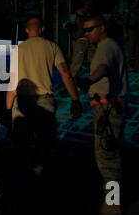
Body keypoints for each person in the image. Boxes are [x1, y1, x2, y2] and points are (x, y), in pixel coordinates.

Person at [6, 16, 82, 175]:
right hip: (45, 103)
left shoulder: (18, 50)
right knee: (43, 147)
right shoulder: (52, 47)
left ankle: (23, 181)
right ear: (42, 29)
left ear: (27, 31)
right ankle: (40, 177)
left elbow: (12, 82)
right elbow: (66, 75)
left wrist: (8, 107)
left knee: (22, 147)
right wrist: (75, 99)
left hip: (23, 103)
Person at [75, 15, 129, 215]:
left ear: (102, 28)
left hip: (108, 108)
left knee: (107, 159)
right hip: (113, 107)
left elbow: (102, 68)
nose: (86, 33)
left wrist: (88, 80)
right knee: (112, 155)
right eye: (85, 30)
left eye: (90, 29)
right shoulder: (110, 45)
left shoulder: (106, 47)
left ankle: (112, 206)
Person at [63, 0, 95, 77]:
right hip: (79, 41)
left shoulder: (86, 16)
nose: (88, 7)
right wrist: (71, 26)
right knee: (77, 61)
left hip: (89, 40)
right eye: (87, 5)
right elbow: (66, 26)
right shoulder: (75, 16)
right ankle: (72, 78)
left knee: (94, 59)